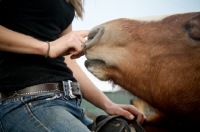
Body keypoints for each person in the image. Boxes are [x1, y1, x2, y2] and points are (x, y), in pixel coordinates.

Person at [0, 0, 146, 131]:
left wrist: (108, 104)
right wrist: (46, 47)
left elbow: (68, 61)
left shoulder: (69, 2)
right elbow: (53, 48)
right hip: (28, 102)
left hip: (70, 104)